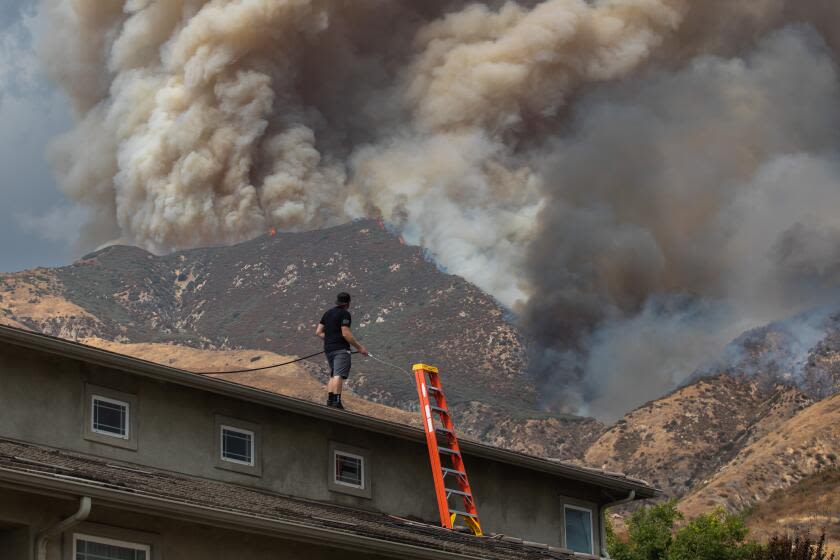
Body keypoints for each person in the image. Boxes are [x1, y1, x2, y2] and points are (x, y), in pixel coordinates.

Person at [316, 292, 368, 409]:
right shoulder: (345, 314)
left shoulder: (328, 313)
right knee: (338, 374)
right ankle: (337, 402)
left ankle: (330, 401)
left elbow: (318, 332)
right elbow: (345, 333)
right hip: (341, 349)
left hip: (328, 348)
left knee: (333, 374)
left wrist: (330, 338)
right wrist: (360, 348)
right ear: (348, 303)